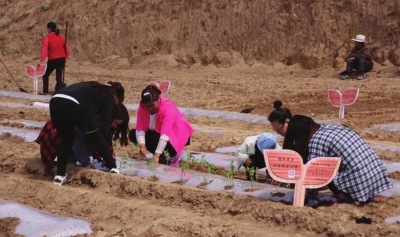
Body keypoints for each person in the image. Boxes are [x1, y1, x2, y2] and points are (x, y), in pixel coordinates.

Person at [274, 113, 392, 204]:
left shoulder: (316, 141)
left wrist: (306, 193)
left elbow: (315, 172)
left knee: (326, 169)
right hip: (376, 173)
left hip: (360, 179)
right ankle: (361, 194)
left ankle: (344, 196)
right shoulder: (327, 128)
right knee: (333, 163)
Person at [49, 81, 122, 186]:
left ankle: (59, 176)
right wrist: (108, 150)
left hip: (55, 100)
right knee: (95, 133)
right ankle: (113, 167)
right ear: (117, 97)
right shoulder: (108, 96)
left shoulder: (93, 88)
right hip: (74, 103)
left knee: (67, 139)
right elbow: (103, 127)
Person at [128, 85, 193, 167]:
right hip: (156, 132)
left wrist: (156, 156)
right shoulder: (142, 107)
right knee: (133, 134)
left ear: (158, 100)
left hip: (175, 135)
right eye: (147, 106)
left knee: (155, 139)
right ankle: (162, 155)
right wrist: (142, 146)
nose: (149, 108)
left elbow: (165, 135)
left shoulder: (168, 108)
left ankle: (174, 155)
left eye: (152, 105)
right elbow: (140, 129)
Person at [37, 21, 70, 94]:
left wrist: (41, 60)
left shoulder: (47, 38)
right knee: (59, 76)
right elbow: (67, 48)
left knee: (45, 74)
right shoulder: (61, 37)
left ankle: (45, 91)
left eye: (47, 28)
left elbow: (44, 50)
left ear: (49, 29)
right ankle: (58, 91)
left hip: (53, 59)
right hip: (62, 58)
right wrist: (66, 57)